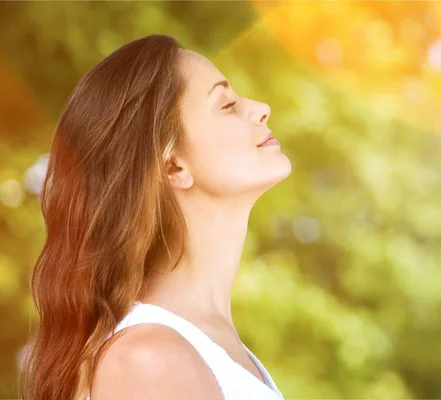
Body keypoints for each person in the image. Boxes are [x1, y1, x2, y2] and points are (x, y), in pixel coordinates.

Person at [19, 34, 291, 400]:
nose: (260, 108)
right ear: (173, 165)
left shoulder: (209, 349)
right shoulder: (148, 361)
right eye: (226, 105)